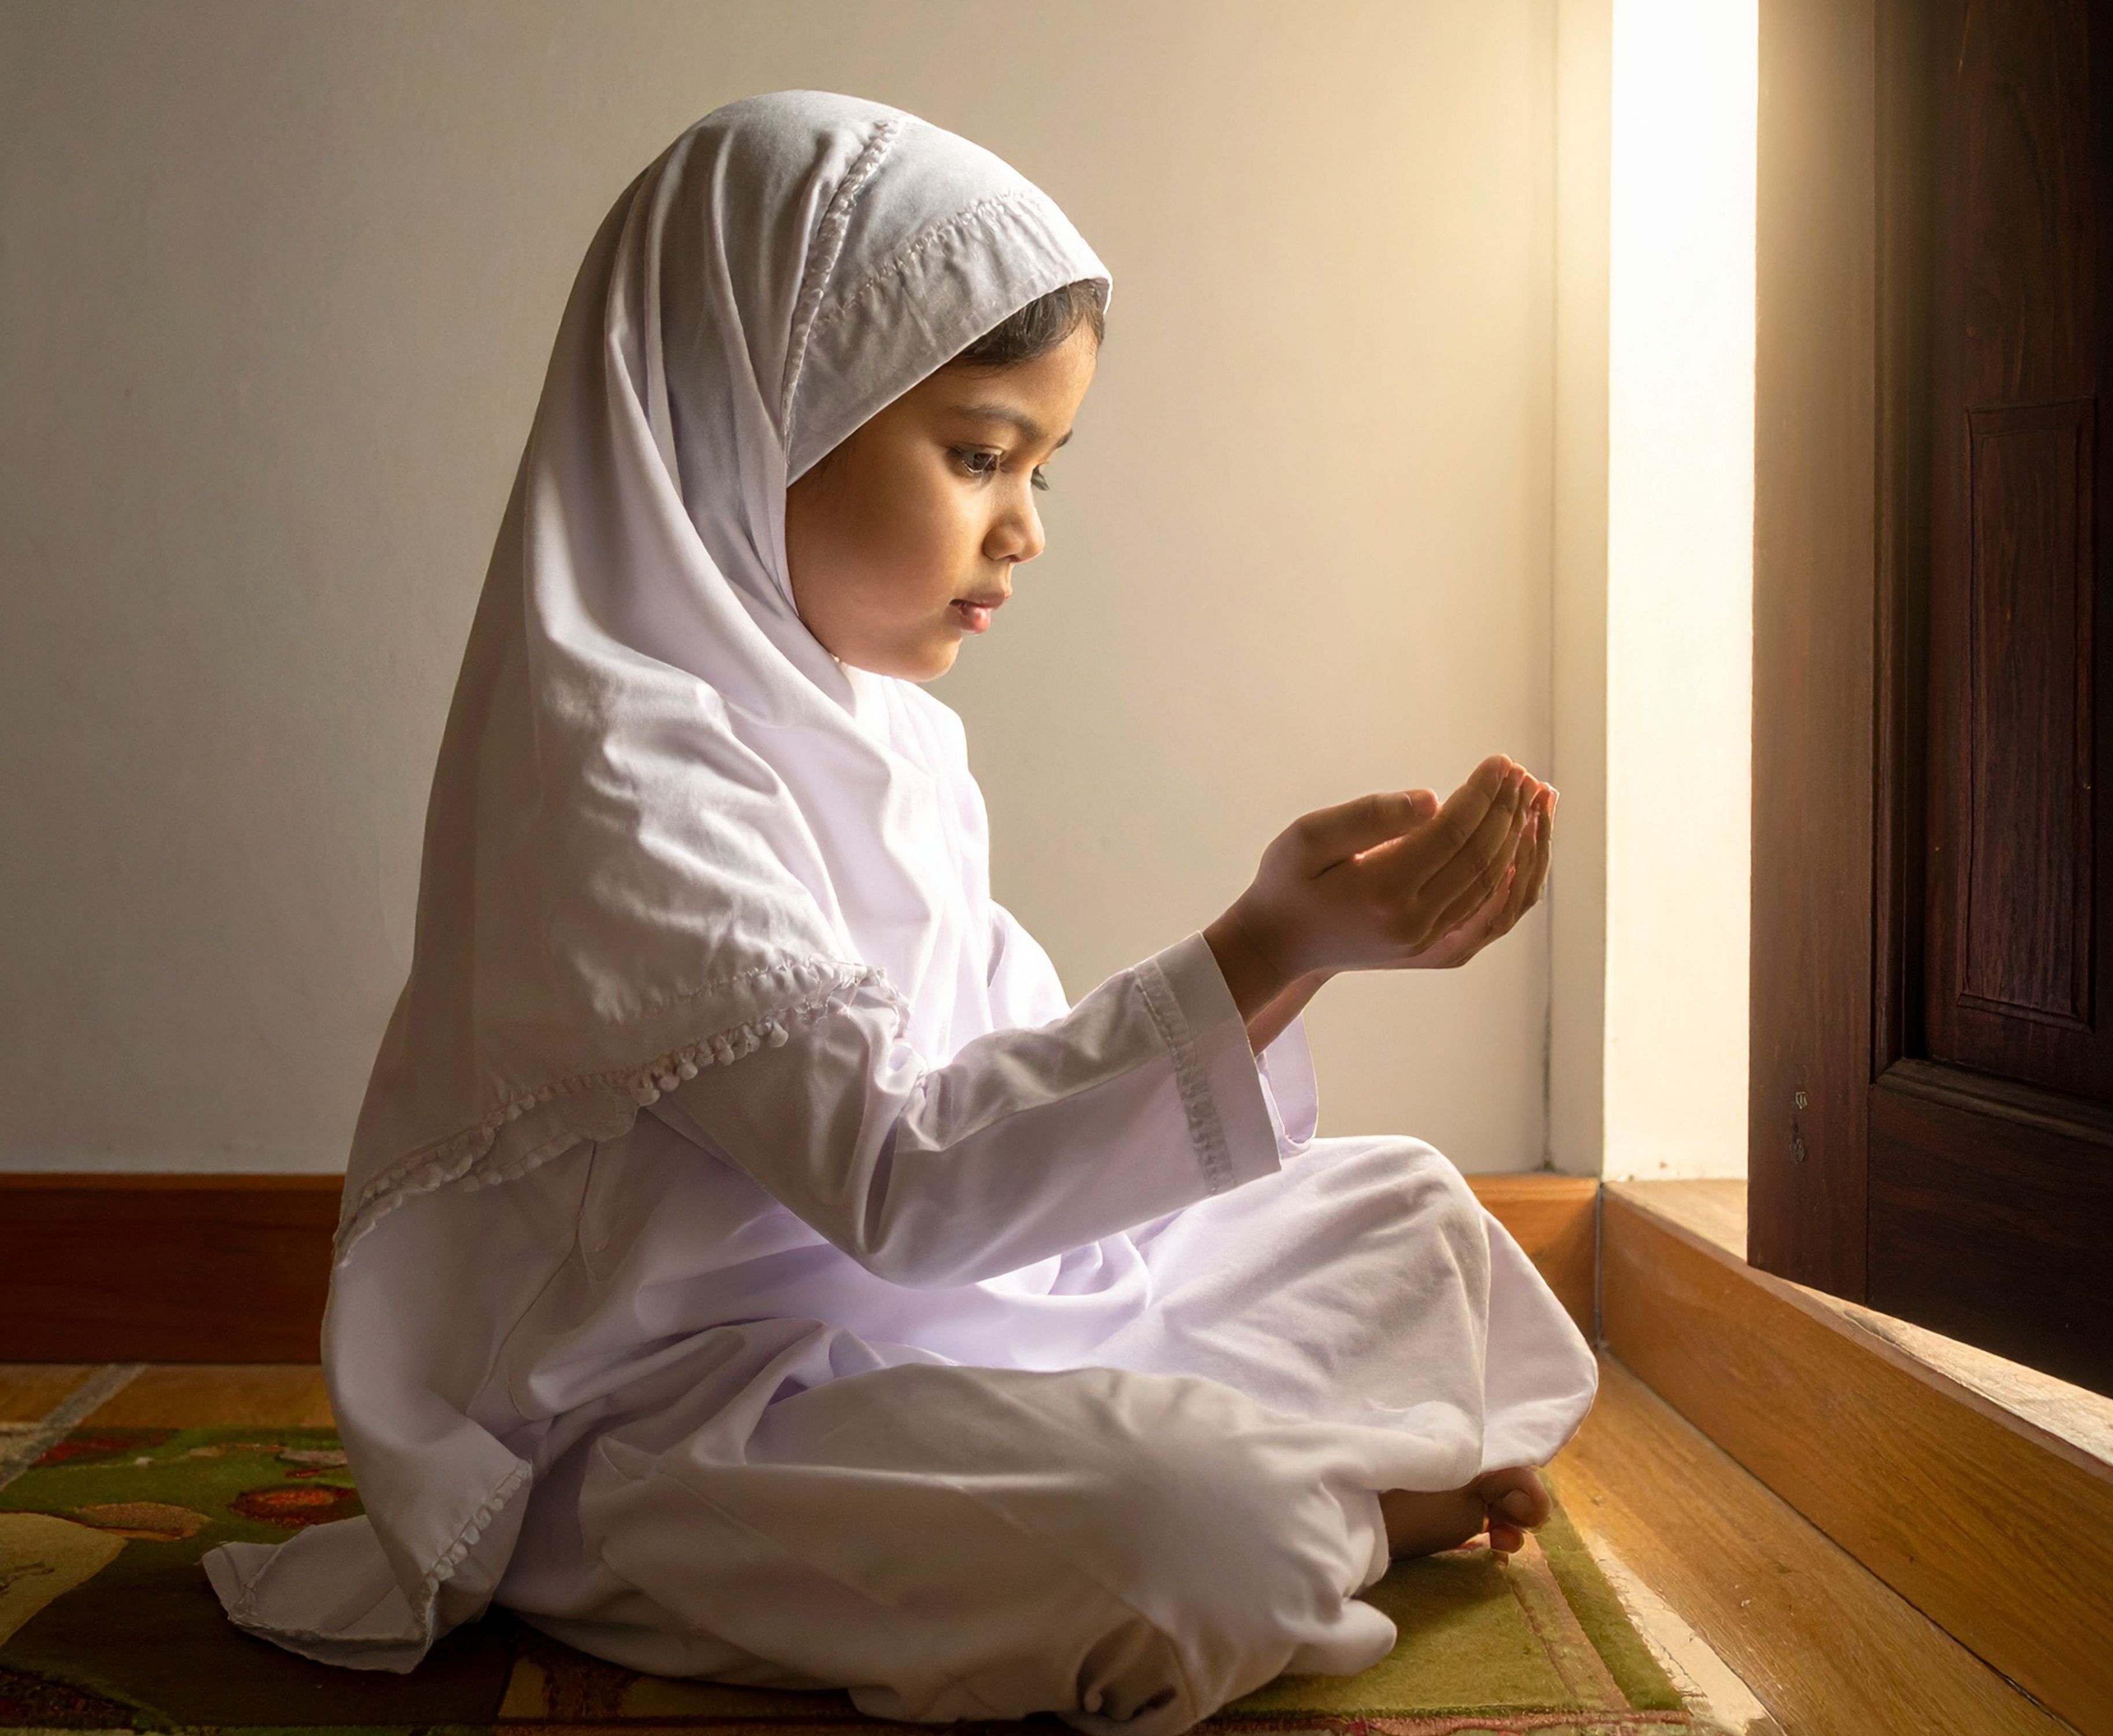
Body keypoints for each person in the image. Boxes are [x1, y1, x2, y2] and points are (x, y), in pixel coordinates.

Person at [202, 91, 1597, 1734]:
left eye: (1046, 469)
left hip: (923, 1314)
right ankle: (1336, 1509)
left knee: (1415, 1225)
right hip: (680, 1418)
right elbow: (909, 1176)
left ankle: (1314, 1500)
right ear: (746, 414)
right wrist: (1260, 948)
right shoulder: (619, 778)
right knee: (1182, 1529)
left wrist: (1304, 967)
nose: (1025, 529)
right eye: (981, 454)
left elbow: (1016, 1086)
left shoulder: (889, 730)